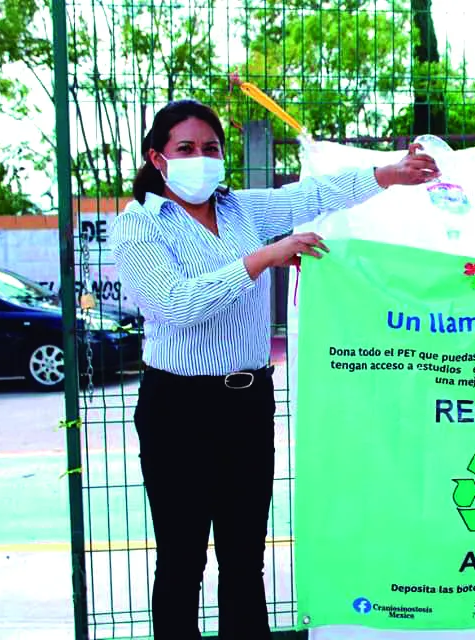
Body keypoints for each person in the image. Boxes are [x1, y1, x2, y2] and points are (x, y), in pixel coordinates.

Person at [111, 99, 439, 639]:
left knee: (245, 556)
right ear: (157, 158)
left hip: (247, 401)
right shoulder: (139, 226)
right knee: (182, 558)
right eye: (185, 148)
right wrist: (263, 258)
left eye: (211, 148)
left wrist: (389, 173)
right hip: (179, 407)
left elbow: (310, 196)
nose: (200, 158)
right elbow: (175, 303)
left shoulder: (239, 210)